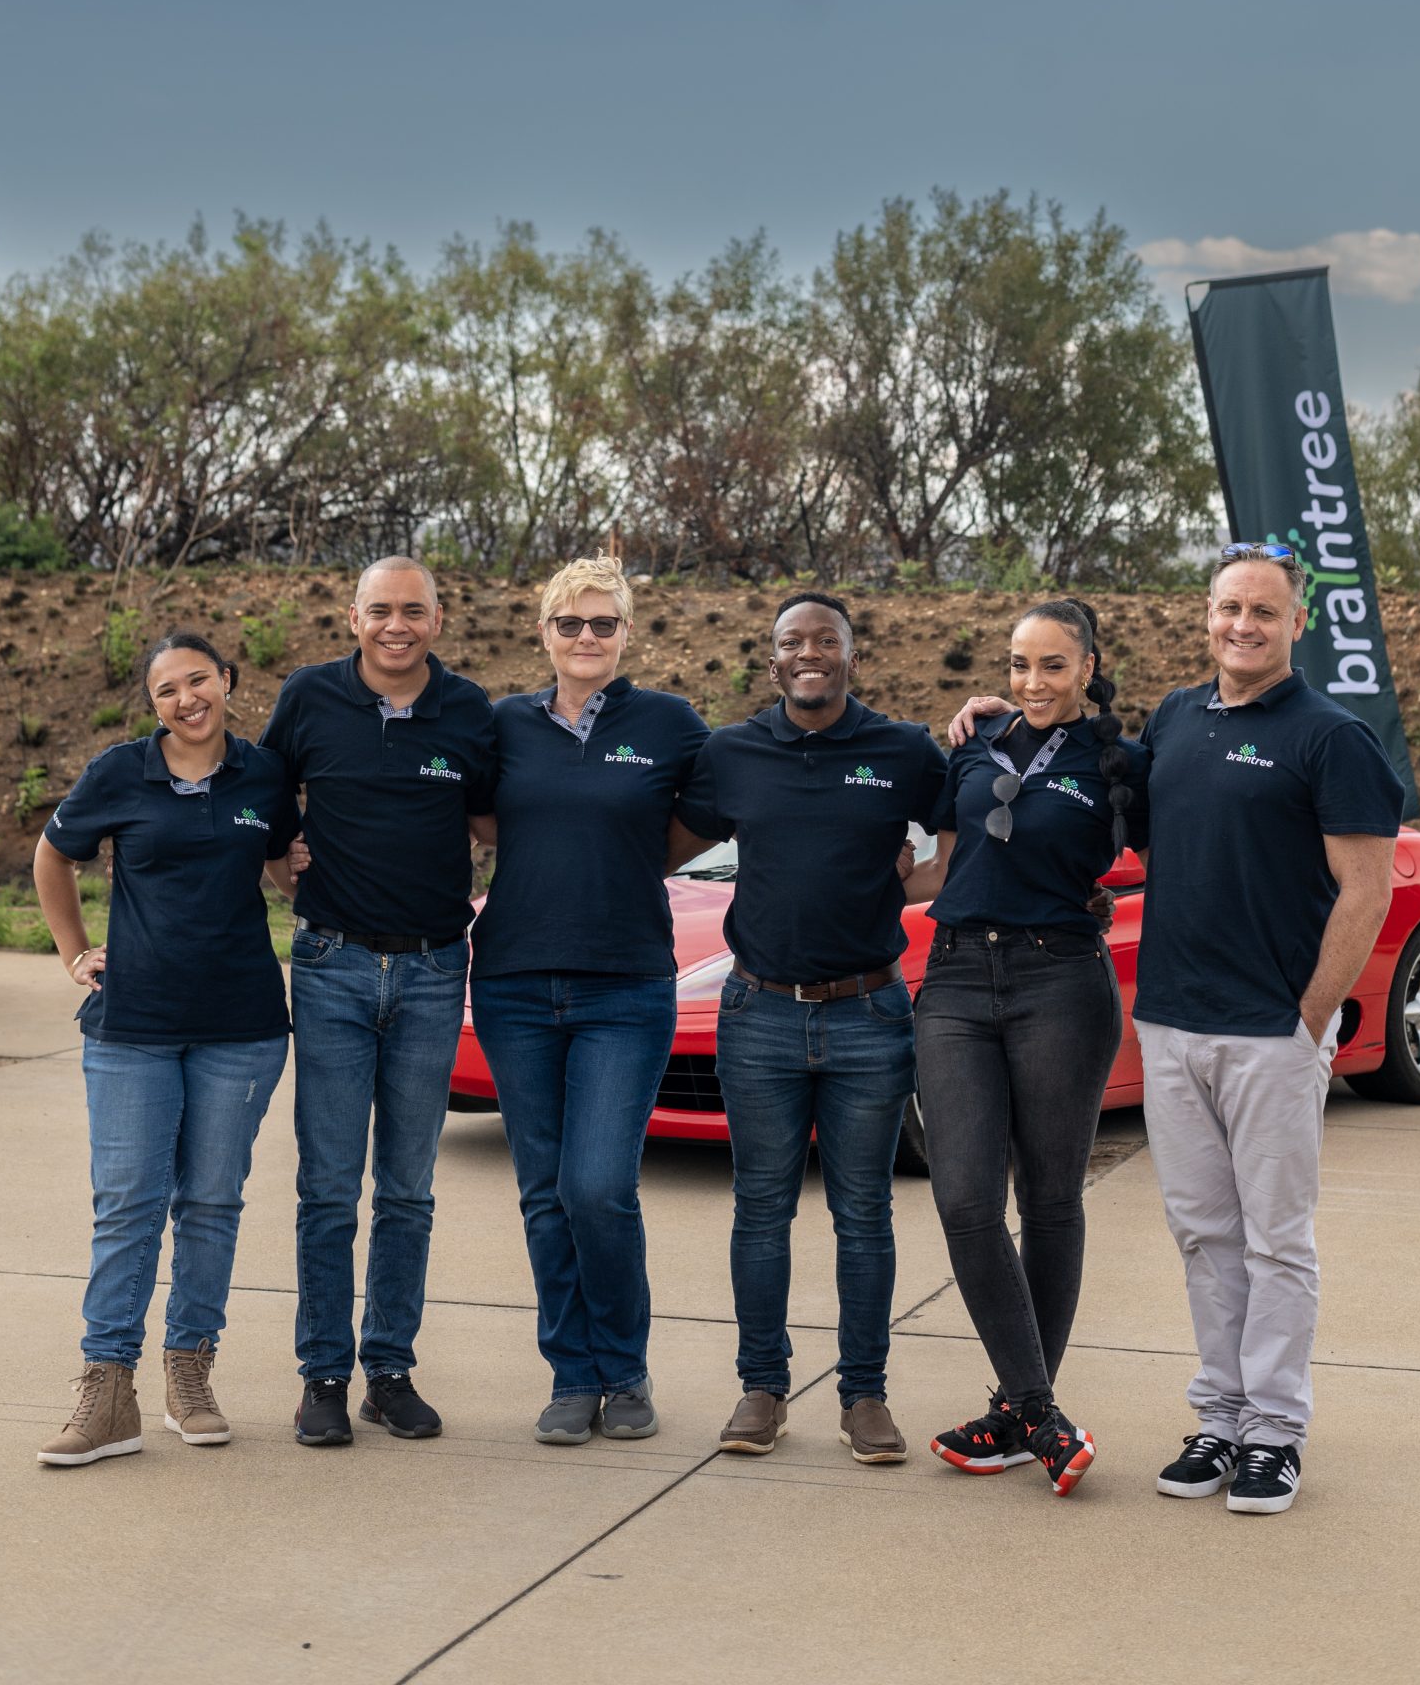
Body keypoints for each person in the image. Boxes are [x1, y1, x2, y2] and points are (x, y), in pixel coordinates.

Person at [953, 545, 1401, 1515]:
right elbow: (1087, 775)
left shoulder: (1330, 737)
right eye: (1226, 607)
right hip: (1168, 1020)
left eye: (1262, 611)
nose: (1241, 624)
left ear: (1294, 624)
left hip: (1267, 1031)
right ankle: (1218, 1419)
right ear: (1204, 616)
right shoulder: (1171, 721)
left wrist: (1307, 1020)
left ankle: (1272, 1433)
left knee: (1274, 1239)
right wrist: (994, 716)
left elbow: (1367, 891)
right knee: (1201, 1234)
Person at [671, 593, 946, 1468]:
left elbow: (962, 824)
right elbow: (667, 841)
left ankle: (863, 1395)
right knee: (760, 1211)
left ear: (850, 656)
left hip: (869, 1011)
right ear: (774, 657)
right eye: (793, 642)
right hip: (758, 1013)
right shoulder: (732, 751)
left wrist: (913, 883)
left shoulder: (901, 750)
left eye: (825, 640)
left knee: (863, 1214)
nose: (809, 654)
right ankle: (762, 1388)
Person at [30, 630, 298, 1466]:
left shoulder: (265, 774)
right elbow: (54, 854)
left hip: (242, 1026)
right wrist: (73, 951)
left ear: (227, 680)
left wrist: (309, 868)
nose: (187, 699)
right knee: (130, 1207)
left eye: (198, 681)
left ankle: (190, 1372)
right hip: (133, 1027)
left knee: (212, 1202)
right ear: (152, 707)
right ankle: (107, 1391)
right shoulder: (119, 771)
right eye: (166, 691)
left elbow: (286, 867)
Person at [467, 556, 709, 1445]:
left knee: (598, 1186)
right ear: (544, 634)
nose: (586, 639)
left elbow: (703, 816)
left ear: (626, 633)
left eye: (603, 624)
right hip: (514, 984)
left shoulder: (670, 723)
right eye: (570, 625)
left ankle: (626, 1367)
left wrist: (638, 852)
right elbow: (479, 819)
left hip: (626, 986)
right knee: (543, 1191)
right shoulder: (503, 727)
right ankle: (573, 1374)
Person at [903, 597, 1143, 1496]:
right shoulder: (972, 744)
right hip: (958, 979)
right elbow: (939, 859)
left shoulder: (1123, 763)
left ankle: (1015, 1410)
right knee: (965, 1199)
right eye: (1016, 665)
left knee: (1048, 1200)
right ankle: (1039, 1416)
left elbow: (1184, 850)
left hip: (1060, 981)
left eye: (1050, 665)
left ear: (1087, 666)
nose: (1030, 682)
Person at [262, 556, 497, 1448]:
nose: (396, 626)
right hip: (331, 966)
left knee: (407, 1188)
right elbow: (259, 796)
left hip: (436, 968)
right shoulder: (309, 698)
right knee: (326, 1186)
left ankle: (388, 1372)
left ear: (438, 619)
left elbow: (491, 818)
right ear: (351, 616)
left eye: (414, 611)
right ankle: (322, 1374)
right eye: (379, 611)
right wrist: (273, 860)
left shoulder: (469, 710)